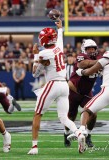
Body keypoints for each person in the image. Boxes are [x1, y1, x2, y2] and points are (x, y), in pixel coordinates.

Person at [27, 19, 85, 155]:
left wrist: (35, 54)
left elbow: (35, 73)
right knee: (64, 117)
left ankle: (34, 147)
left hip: (53, 84)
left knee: (37, 114)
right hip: (64, 85)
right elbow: (59, 41)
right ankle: (78, 133)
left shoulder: (43, 53)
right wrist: (60, 28)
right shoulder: (58, 48)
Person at [64, 39, 102, 148]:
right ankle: (66, 134)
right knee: (71, 116)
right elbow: (83, 64)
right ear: (84, 49)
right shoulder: (81, 57)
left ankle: (88, 135)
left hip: (86, 92)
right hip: (74, 91)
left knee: (93, 114)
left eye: (93, 48)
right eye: (88, 48)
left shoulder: (98, 58)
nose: (91, 50)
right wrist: (101, 62)